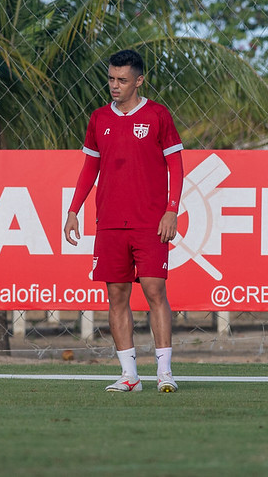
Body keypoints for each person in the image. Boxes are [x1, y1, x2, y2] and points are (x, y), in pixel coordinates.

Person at [64, 49, 184, 393]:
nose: (115, 86)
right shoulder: (99, 118)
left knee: (154, 290)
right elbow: (91, 168)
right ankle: (129, 375)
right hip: (111, 223)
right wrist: (74, 210)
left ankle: (164, 372)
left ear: (139, 81)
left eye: (122, 80)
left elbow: (175, 165)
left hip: (150, 222)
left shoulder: (158, 115)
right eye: (111, 79)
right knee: (116, 295)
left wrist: (171, 209)